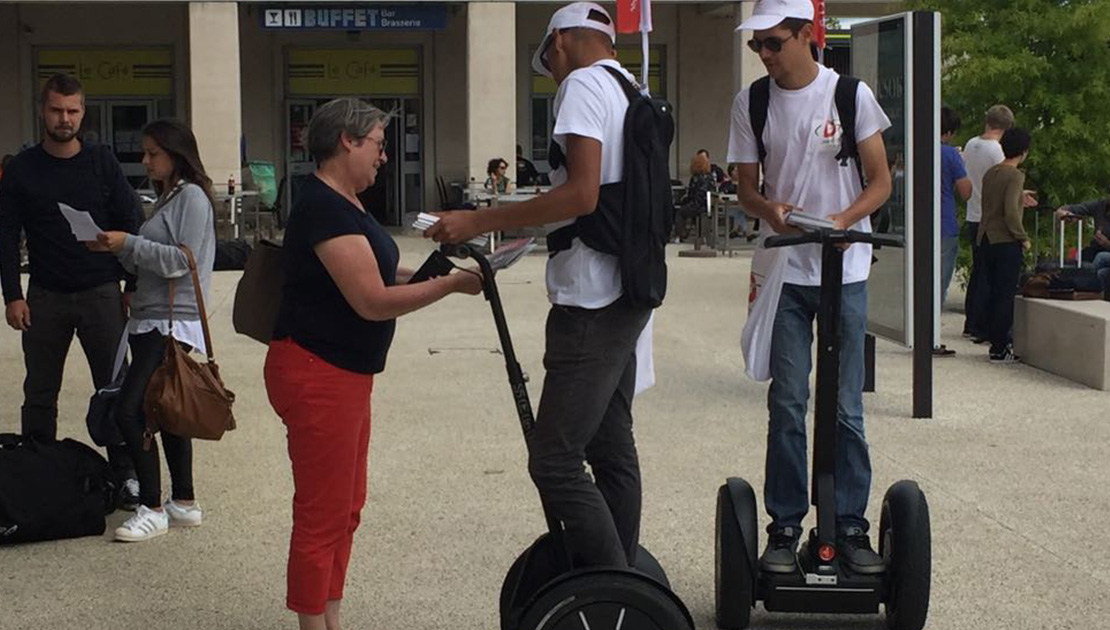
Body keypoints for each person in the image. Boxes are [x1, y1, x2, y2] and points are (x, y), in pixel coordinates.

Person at [427, 2, 655, 570]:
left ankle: (610, 587)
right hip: (630, 288)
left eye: (547, 57)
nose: (550, 69)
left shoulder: (580, 85)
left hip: (590, 297)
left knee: (553, 459)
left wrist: (478, 220)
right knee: (610, 446)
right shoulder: (632, 88)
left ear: (562, 41)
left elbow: (581, 195)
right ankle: (623, 582)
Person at [263, 97, 480, 630]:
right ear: (347, 141)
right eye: (379, 146)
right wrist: (449, 285)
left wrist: (441, 272)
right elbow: (371, 301)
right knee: (323, 510)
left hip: (345, 372)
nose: (384, 158)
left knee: (347, 505)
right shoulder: (321, 206)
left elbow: (383, 277)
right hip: (318, 371)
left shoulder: (347, 203)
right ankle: (314, 622)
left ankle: (329, 612)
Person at [728, 0, 893, 575]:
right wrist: (769, 209)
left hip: (843, 271)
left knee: (846, 406)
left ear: (806, 35)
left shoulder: (850, 95)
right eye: (758, 46)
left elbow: (880, 182)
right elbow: (746, 188)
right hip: (787, 270)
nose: (765, 55)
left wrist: (845, 222)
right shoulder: (752, 101)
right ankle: (785, 525)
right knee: (787, 402)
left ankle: (849, 525)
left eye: (773, 43)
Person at [0, 73, 140, 507]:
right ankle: (35, 471)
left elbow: (131, 222)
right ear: (42, 111)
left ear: (83, 112)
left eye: (73, 110)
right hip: (44, 296)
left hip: (102, 292)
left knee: (115, 388)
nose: (65, 118)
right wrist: (12, 295)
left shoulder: (102, 162)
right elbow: (5, 234)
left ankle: (127, 474)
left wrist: (132, 284)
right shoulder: (22, 169)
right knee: (39, 391)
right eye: (57, 110)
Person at [94, 119, 216, 541]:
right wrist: (118, 250)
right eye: (144, 152)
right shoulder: (170, 197)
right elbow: (155, 259)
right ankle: (183, 501)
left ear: (176, 154)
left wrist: (127, 243)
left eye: (152, 153)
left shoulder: (193, 198)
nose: (144, 160)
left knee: (133, 410)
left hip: (170, 319)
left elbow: (182, 261)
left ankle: (152, 505)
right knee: (169, 408)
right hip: (152, 316)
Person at [978, 128, 1032, 364]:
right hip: (1005, 240)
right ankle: (1000, 346)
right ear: (1023, 152)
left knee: (989, 290)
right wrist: (1022, 237)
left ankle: (991, 338)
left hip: (985, 237)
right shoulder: (1016, 176)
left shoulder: (991, 173)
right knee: (1005, 294)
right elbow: (1010, 211)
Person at [961, 104, 1014, 342]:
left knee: (978, 271)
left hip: (973, 212)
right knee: (989, 275)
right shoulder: (997, 151)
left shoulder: (971, 145)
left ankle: (971, 320)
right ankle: (982, 324)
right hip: (990, 217)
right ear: (1007, 127)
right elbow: (1003, 180)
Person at [1054, 186, 1110, 297]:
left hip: (1105, 252)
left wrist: (1107, 244)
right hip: (1095, 250)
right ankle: (1066, 287)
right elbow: (1079, 208)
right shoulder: (1101, 206)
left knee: (1101, 257)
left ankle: (1083, 288)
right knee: (1083, 261)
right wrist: (1063, 212)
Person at [676, 152, 717, 240]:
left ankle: (681, 234)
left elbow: (692, 195)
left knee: (680, 212)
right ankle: (697, 235)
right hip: (707, 205)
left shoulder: (695, 178)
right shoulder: (710, 177)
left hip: (698, 205)